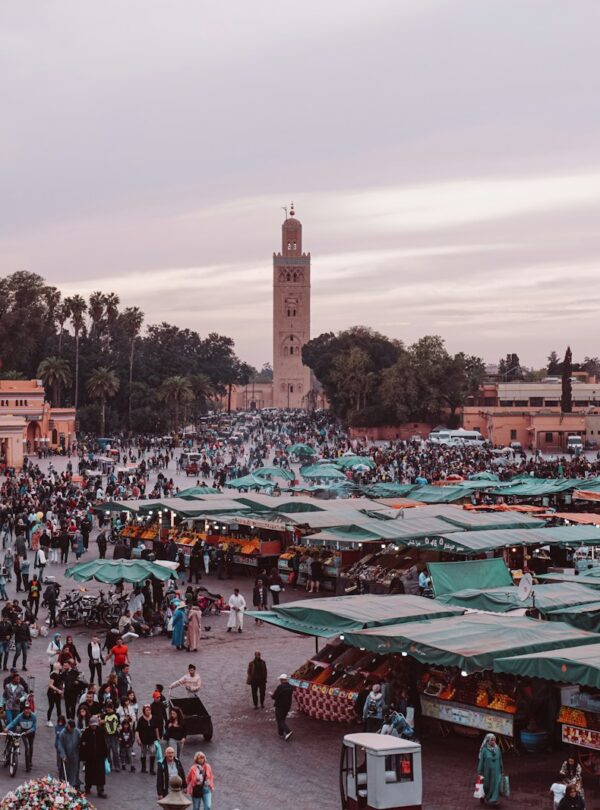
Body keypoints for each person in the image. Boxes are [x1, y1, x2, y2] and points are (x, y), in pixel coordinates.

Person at [79, 714, 109, 799]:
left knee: (100, 775)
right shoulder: (86, 732)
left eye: (95, 725)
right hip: (90, 757)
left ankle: (100, 791)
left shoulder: (100, 731)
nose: (94, 726)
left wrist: (105, 754)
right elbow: (82, 744)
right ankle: (87, 788)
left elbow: (103, 743)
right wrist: (83, 756)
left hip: (99, 757)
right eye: (92, 725)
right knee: (89, 774)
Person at [5, 704, 37, 771]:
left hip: (31, 732)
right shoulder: (20, 716)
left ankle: (29, 762)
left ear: (30, 710)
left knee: (31, 747)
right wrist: (7, 728)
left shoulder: (34, 716)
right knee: (27, 747)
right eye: (26, 709)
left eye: (28, 709)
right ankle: (27, 766)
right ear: (23, 710)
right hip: (23, 733)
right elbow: (13, 723)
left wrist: (28, 731)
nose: (27, 711)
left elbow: (34, 727)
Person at [477, 733, 503, 807]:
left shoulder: (498, 749)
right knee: (486, 785)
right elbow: (481, 761)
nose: (493, 741)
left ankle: (494, 799)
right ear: (488, 741)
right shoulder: (484, 751)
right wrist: (480, 771)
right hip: (486, 772)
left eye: (494, 740)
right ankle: (484, 796)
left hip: (496, 771)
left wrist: (502, 769)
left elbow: (500, 760)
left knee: (496, 784)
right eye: (492, 740)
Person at [136, 703, 160, 775]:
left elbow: (156, 728)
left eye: (149, 710)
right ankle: (143, 768)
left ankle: (151, 769)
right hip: (143, 739)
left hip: (152, 739)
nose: (148, 712)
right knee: (143, 753)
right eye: (147, 710)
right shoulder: (141, 719)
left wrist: (158, 737)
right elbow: (137, 730)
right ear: (144, 711)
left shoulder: (154, 718)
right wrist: (138, 739)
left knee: (152, 752)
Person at [57, 718, 81, 788]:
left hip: (75, 755)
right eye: (71, 728)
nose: (72, 730)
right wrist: (63, 755)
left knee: (75, 770)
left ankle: (74, 785)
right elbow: (60, 745)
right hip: (66, 755)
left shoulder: (77, 731)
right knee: (65, 772)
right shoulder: (63, 733)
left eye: (73, 728)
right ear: (68, 726)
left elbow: (80, 740)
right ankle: (64, 785)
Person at [271, 673, 294, 741]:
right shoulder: (290, 687)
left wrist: (272, 695)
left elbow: (275, 696)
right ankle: (280, 733)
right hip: (287, 706)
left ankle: (288, 731)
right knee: (282, 719)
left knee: (279, 720)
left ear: (281, 680)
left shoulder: (280, 687)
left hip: (280, 706)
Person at [47, 662, 64, 726]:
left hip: (57, 693)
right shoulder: (54, 674)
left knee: (58, 707)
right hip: (51, 693)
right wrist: (58, 690)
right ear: (57, 666)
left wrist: (61, 691)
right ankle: (48, 721)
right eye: (60, 665)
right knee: (51, 706)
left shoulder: (59, 673)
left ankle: (60, 721)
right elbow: (50, 685)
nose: (61, 666)